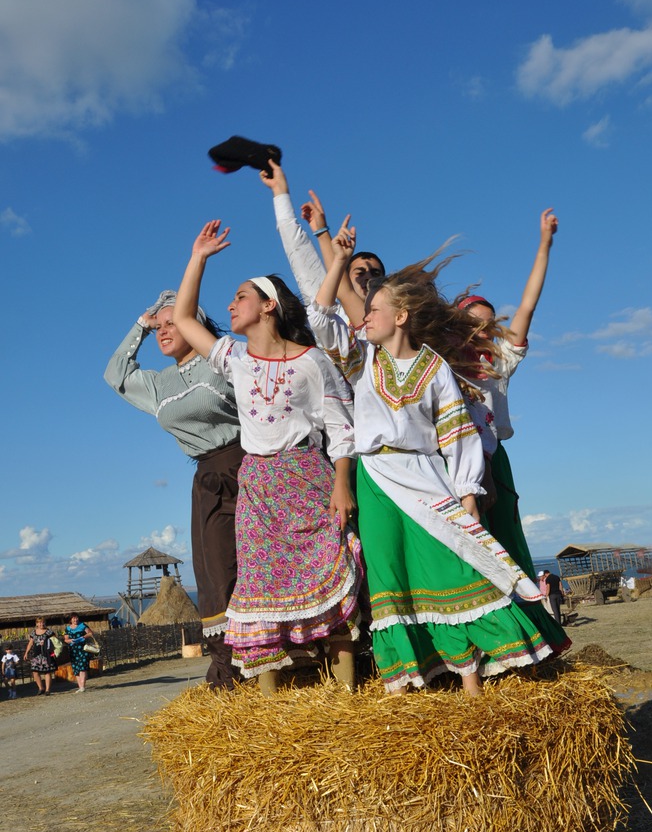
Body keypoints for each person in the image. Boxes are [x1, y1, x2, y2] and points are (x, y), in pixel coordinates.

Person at [307, 221, 567, 694]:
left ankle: (471, 680)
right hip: (376, 475)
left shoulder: (436, 368)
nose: (365, 318)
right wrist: (338, 259)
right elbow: (321, 318)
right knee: (389, 574)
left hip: (427, 472)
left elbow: (457, 434)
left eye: (375, 310)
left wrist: (468, 489)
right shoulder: (360, 358)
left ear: (402, 316)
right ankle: (403, 685)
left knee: (456, 563)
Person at [171, 219, 364, 694]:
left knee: (331, 572)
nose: (231, 305)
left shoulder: (312, 361)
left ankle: (345, 695)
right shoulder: (235, 359)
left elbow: (341, 428)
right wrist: (198, 257)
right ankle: (271, 710)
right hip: (257, 485)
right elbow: (183, 319)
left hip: (309, 478)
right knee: (257, 590)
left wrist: (342, 484)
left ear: (268, 306)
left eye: (241, 296)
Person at [105, 291, 243, 690]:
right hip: (208, 480)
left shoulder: (221, 360)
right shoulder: (158, 384)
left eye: (173, 323)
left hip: (252, 463)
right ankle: (231, 667)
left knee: (264, 561)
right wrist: (140, 327)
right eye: (160, 325)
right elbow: (115, 375)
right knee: (217, 572)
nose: (165, 331)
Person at [456, 208, 559, 581]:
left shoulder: (499, 362)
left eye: (489, 324)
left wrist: (544, 244)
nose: (482, 330)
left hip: (493, 459)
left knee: (504, 540)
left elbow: (528, 305)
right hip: (449, 461)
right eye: (473, 323)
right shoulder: (437, 365)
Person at [260, 162, 384, 325]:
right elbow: (299, 254)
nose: (368, 277)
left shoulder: (400, 322)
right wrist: (280, 193)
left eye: (375, 273)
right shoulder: (331, 317)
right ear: (345, 277)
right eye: (360, 273)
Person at [24, 618, 56, 695]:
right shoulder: (33, 632)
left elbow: (55, 641)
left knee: (47, 672)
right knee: (35, 671)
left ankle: (47, 690)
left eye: (43, 622)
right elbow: (30, 643)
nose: (41, 624)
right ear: (36, 624)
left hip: (46, 654)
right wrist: (26, 653)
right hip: (36, 654)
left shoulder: (49, 632)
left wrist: (52, 651)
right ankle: (41, 688)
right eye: (40, 623)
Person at [63, 614, 93, 692]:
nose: (75, 620)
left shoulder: (82, 625)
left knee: (82, 666)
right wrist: (71, 640)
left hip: (83, 649)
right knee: (76, 668)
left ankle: (83, 686)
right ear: (70, 620)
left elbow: (90, 633)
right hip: (73, 650)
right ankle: (80, 687)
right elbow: (66, 639)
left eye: (76, 618)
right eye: (73, 618)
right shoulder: (67, 628)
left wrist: (83, 637)